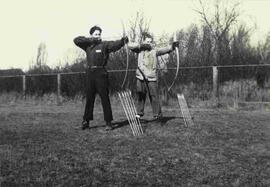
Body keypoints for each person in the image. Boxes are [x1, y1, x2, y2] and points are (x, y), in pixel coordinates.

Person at [73, 25, 128, 130]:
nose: (98, 36)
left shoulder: (104, 45)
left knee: (104, 98)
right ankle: (86, 121)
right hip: (90, 73)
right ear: (91, 35)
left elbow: (115, 45)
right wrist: (90, 40)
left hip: (101, 73)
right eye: (96, 34)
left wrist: (122, 41)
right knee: (89, 98)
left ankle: (108, 122)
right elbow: (76, 40)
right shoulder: (88, 45)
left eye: (99, 34)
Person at [128, 32, 179, 120]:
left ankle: (157, 115)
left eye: (150, 42)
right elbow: (130, 46)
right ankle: (139, 113)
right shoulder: (139, 50)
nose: (149, 43)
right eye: (147, 41)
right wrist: (141, 46)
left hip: (151, 77)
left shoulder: (154, 50)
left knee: (154, 96)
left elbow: (164, 50)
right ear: (143, 41)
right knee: (141, 95)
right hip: (140, 76)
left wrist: (172, 47)